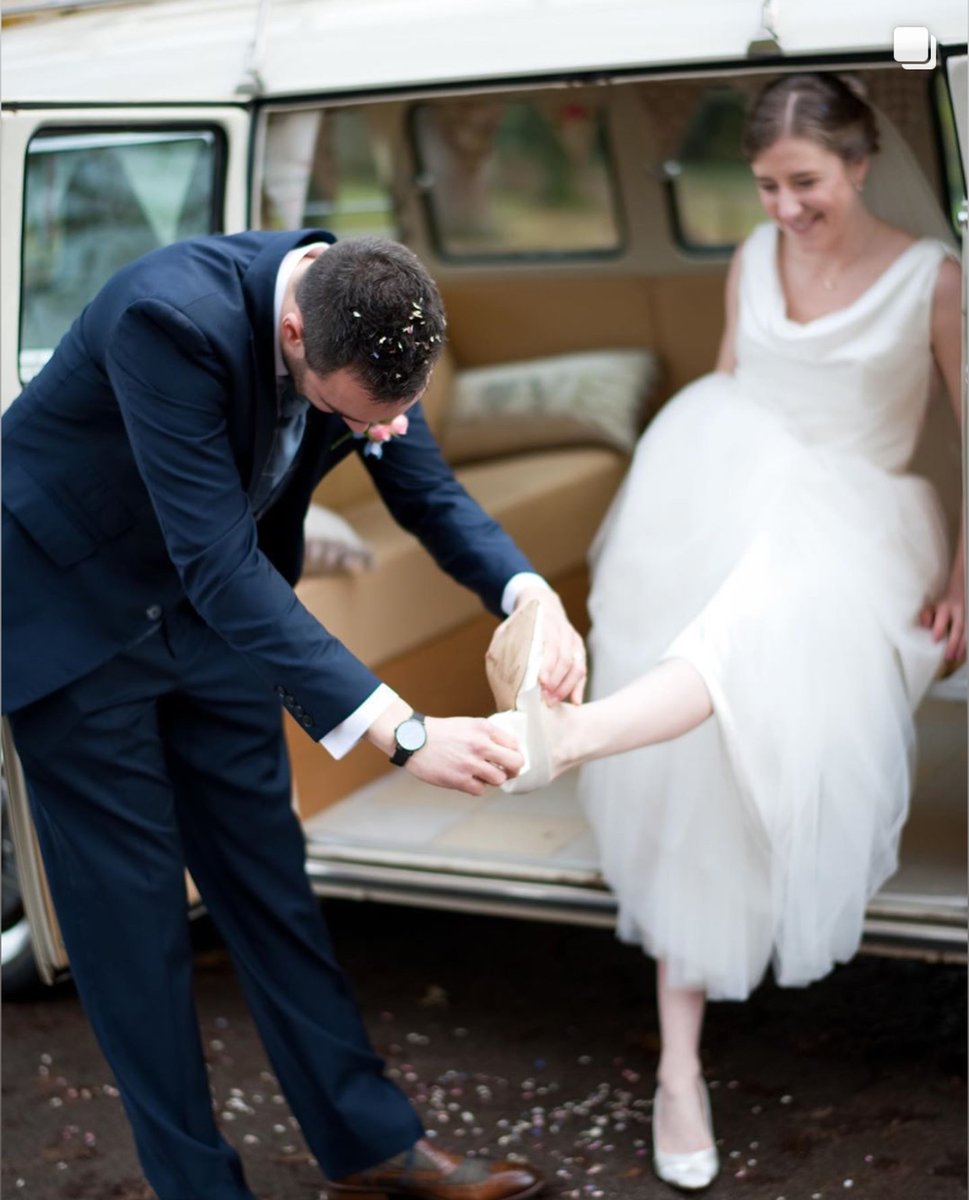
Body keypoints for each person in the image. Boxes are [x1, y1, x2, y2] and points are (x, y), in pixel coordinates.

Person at [2, 231, 587, 1200]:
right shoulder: (167, 317)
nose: (377, 430)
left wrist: (531, 596)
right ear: (290, 332)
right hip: (75, 616)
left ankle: (368, 1142)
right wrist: (403, 734)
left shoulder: (373, 308)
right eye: (350, 414)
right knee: (136, 923)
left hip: (213, 619)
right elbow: (219, 562)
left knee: (270, 877)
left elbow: (428, 494)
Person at [488, 73, 964, 1191]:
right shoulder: (752, 260)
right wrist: (693, 505)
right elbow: (730, 389)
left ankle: (583, 731)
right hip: (734, 487)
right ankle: (680, 1070)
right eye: (765, 186)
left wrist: (964, 574)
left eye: (805, 183)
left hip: (872, 516)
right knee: (712, 683)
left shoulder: (934, 281)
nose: (785, 208)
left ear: (860, 164)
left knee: (766, 600)